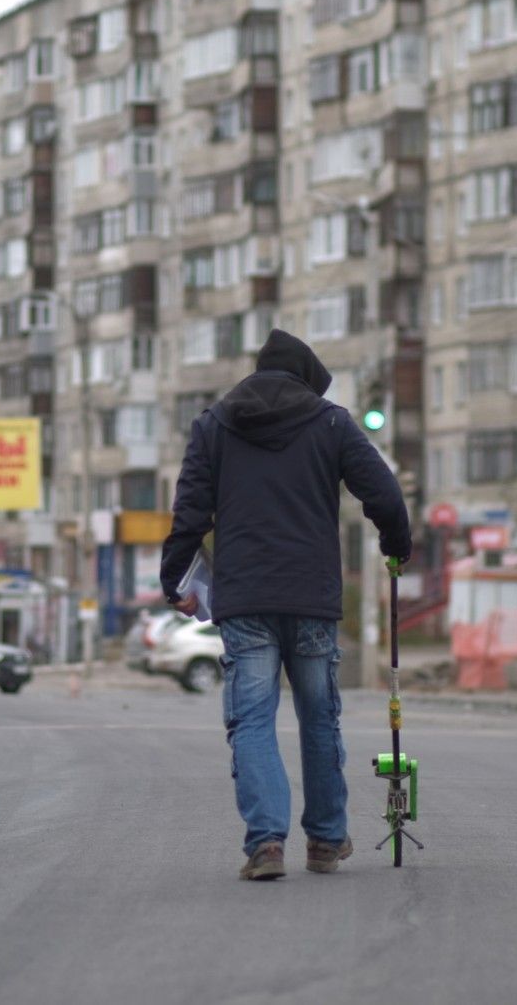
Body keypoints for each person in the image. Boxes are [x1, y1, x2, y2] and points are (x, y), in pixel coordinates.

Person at [161, 328, 411, 881]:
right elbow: (385, 495)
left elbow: (190, 511)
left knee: (251, 720)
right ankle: (324, 840)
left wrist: (173, 576)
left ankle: (266, 844)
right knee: (319, 719)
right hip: (311, 597)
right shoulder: (330, 422)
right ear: (306, 377)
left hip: (245, 598)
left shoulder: (214, 426)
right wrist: (397, 545)